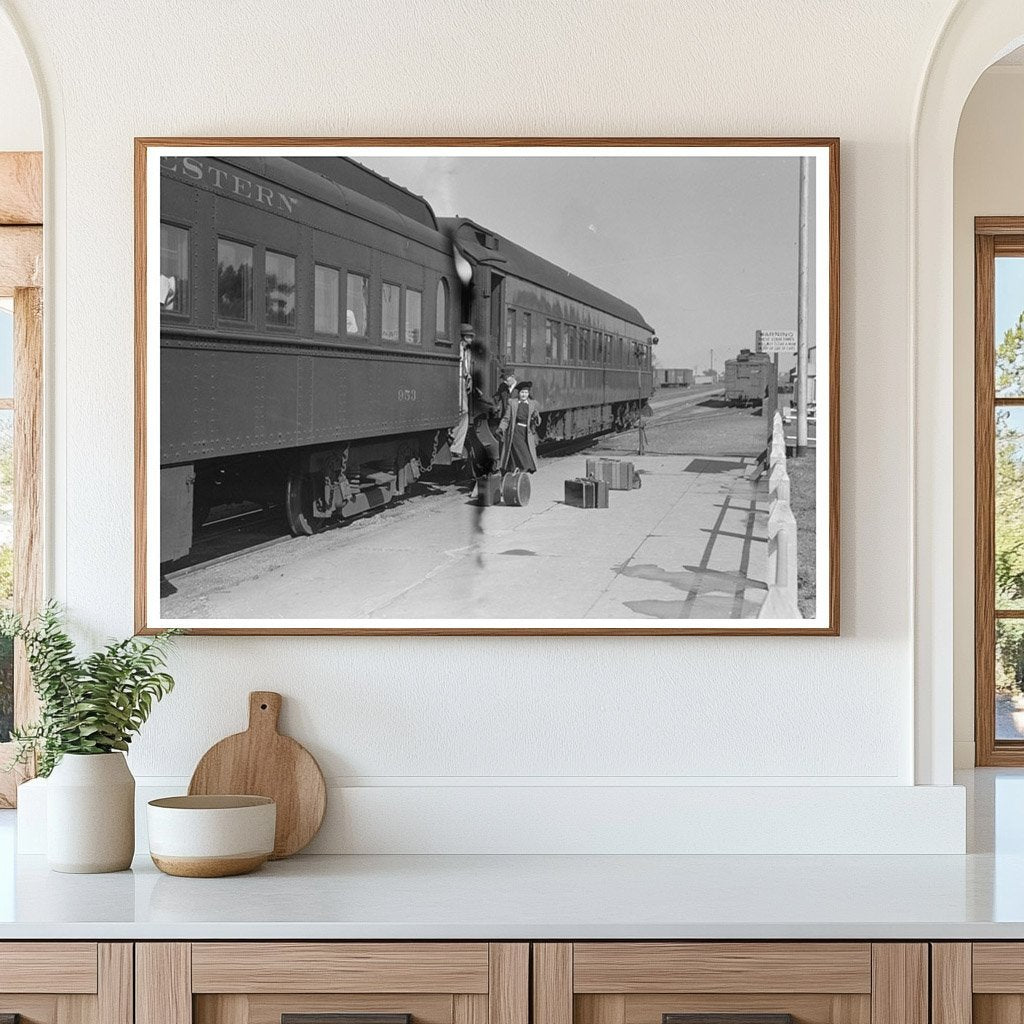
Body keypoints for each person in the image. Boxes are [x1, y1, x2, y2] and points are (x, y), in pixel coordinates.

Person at [499, 381, 541, 474]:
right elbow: (506, 418)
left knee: (519, 455)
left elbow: (538, 422)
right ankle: (522, 472)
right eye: (522, 392)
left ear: (528, 394)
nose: (524, 395)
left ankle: (517, 475)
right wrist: (501, 428)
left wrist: (536, 416)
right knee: (523, 453)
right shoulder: (512, 403)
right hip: (516, 431)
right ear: (518, 393)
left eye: (526, 393)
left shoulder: (533, 404)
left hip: (526, 433)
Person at [449, 323, 475, 458]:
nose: (471, 339)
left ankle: (455, 445)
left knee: (464, 413)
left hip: (462, 381)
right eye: (469, 337)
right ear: (463, 337)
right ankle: (452, 437)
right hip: (456, 381)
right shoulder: (457, 349)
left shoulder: (466, 351)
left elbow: (464, 368)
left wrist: (468, 376)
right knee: (463, 411)